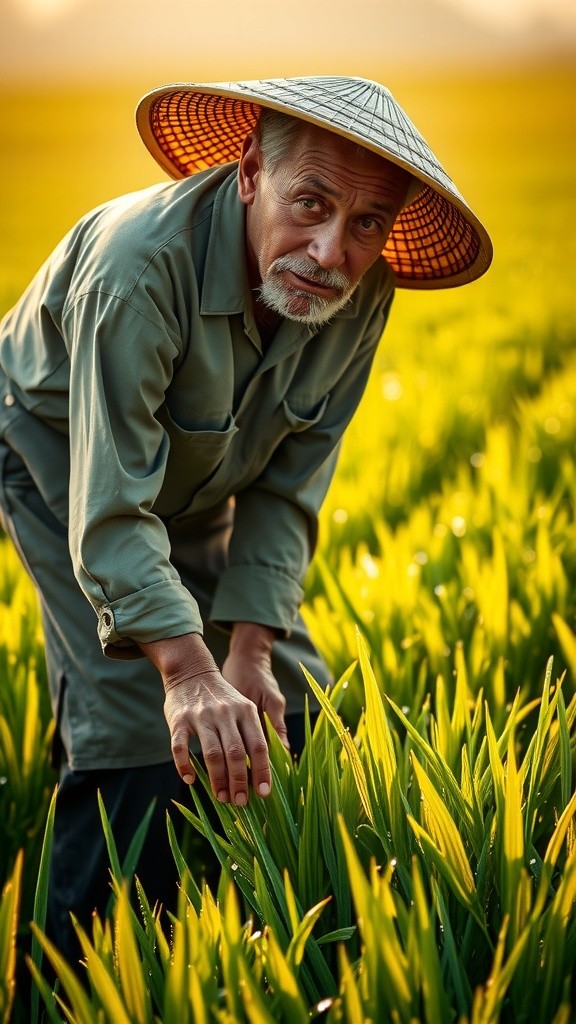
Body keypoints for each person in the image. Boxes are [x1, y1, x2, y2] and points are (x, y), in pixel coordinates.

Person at [0, 75, 492, 965]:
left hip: (203, 465)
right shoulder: (137, 272)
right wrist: (186, 671)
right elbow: (112, 504)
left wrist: (251, 649)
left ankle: (264, 917)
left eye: (367, 223)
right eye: (312, 202)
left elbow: (288, 487)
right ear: (248, 173)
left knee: (293, 696)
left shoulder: (358, 291)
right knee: (138, 721)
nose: (331, 250)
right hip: (59, 451)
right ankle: (76, 974)